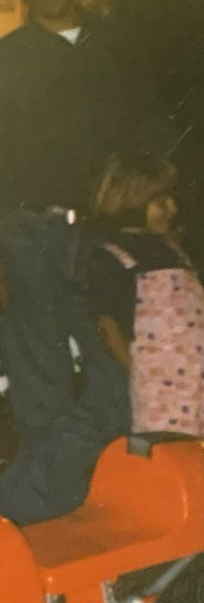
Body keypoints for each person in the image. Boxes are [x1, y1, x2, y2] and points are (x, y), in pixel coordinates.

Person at [0, 0, 164, 523]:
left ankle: (30, 501)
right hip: (25, 236)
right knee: (37, 387)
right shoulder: (0, 63)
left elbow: (154, 152)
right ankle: (47, 519)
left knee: (120, 381)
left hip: (104, 237)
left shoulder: (122, 48)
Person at [83, 153, 204, 437]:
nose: (172, 209)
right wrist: (141, 375)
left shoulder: (172, 251)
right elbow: (109, 328)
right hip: (161, 391)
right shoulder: (113, 257)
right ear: (133, 202)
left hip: (197, 378)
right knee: (168, 452)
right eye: (160, 202)